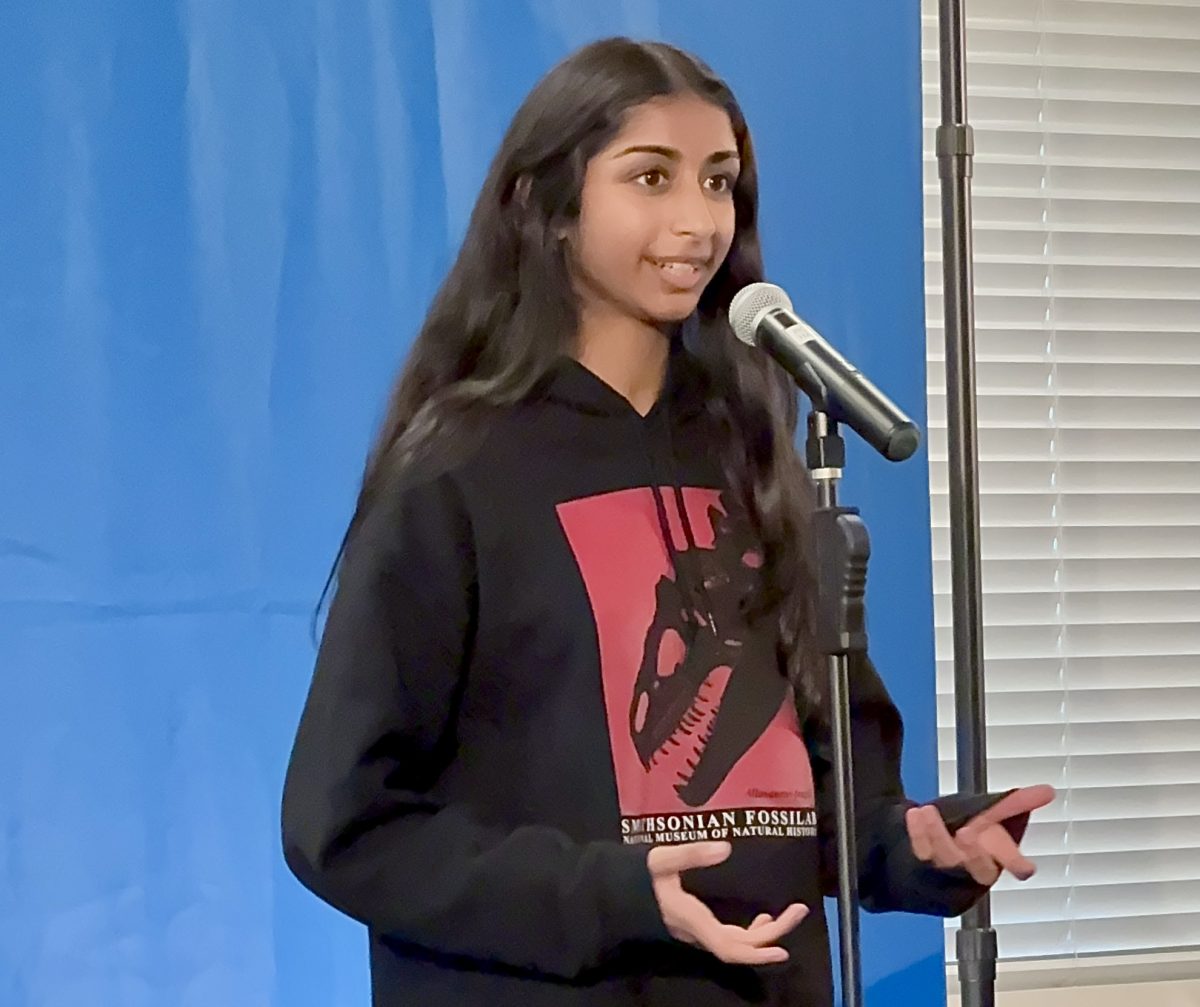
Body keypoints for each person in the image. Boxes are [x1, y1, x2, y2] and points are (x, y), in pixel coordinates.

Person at [280, 36, 1053, 1007]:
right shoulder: (459, 470)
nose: (699, 220)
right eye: (652, 177)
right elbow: (344, 823)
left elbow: (820, 787)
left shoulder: (758, 459)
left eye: (720, 183)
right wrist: (605, 891)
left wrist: (914, 846)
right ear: (547, 206)